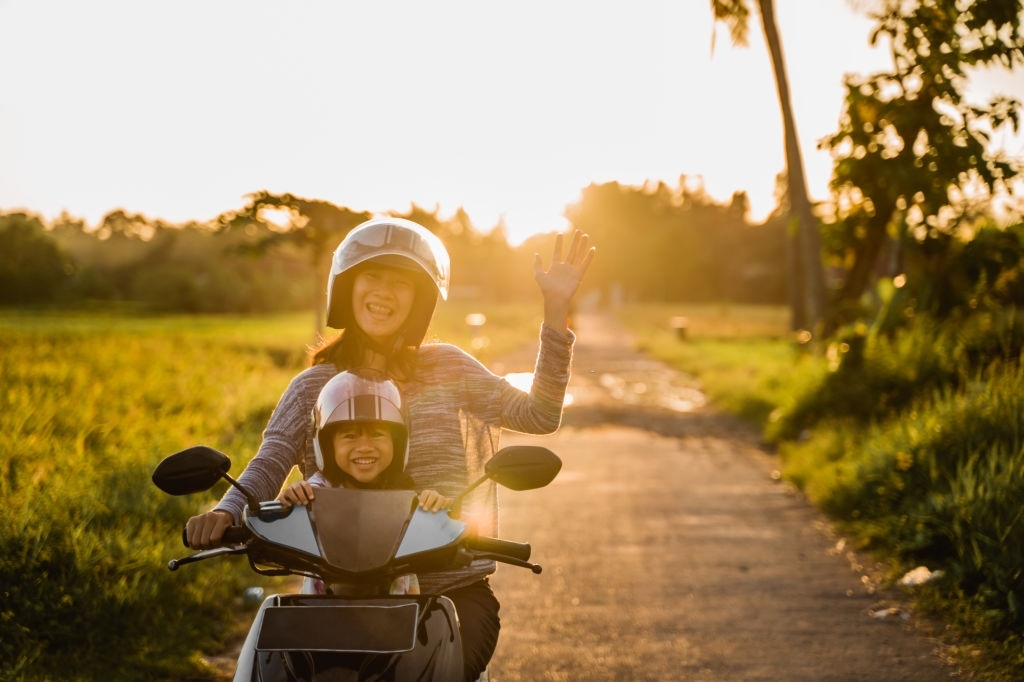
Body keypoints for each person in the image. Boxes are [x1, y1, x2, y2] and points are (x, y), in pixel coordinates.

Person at [186, 216, 594, 681]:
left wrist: (555, 311)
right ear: (346, 287)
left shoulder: (449, 369)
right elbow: (272, 459)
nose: (384, 291)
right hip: (336, 594)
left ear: (420, 300)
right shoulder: (312, 387)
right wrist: (227, 511)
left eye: (401, 282)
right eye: (372, 275)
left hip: (449, 592)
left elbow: (539, 414)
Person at [277, 369, 448, 595]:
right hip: (322, 611)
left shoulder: (403, 492)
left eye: (377, 434)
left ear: (397, 443)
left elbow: (434, 526)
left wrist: (435, 507)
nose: (365, 446)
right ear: (328, 445)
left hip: (399, 614)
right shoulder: (317, 491)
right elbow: (291, 515)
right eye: (350, 435)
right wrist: (291, 499)